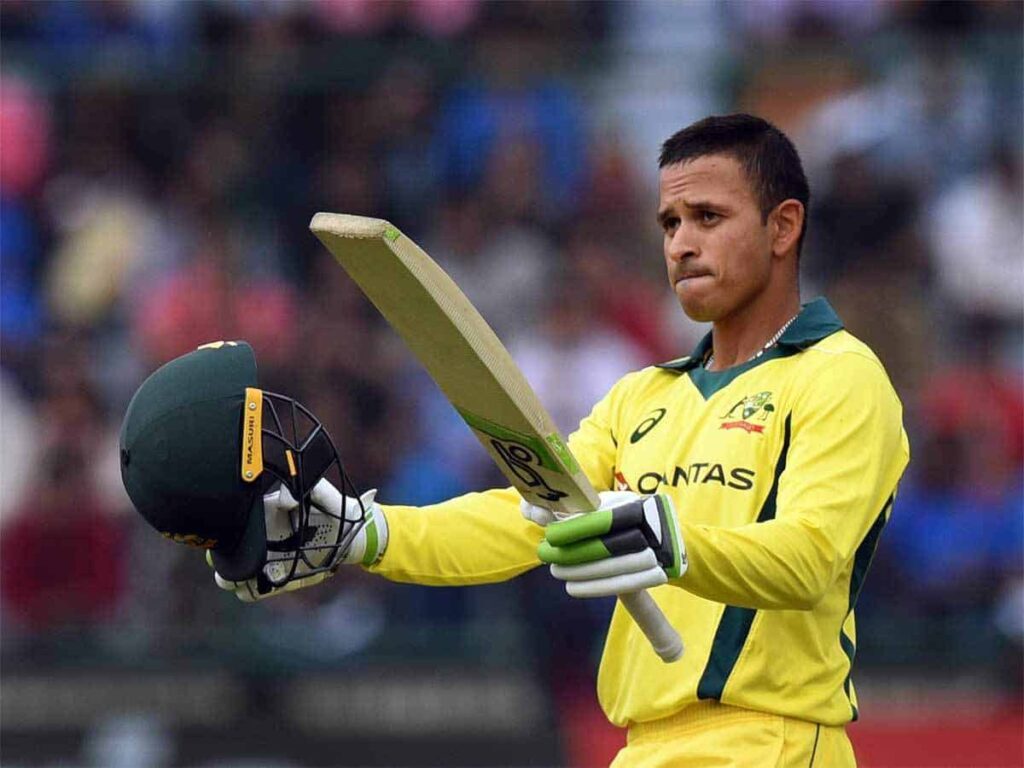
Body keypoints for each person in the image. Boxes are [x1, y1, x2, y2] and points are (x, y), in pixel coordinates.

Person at [120, 115, 909, 767]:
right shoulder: (642, 397)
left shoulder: (839, 375)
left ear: (783, 226)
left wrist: (673, 542)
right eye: (670, 223)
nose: (680, 244)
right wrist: (368, 534)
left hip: (774, 741)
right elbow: (527, 515)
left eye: (708, 218)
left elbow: (810, 560)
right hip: (644, 747)